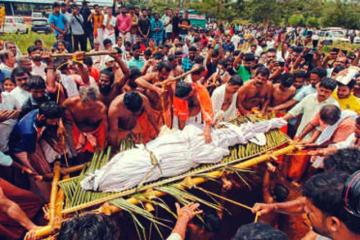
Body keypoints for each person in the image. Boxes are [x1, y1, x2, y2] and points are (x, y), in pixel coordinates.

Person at [252, 171, 360, 240]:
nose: (304, 210)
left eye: (310, 210)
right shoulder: (339, 229)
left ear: (333, 223)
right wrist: (274, 207)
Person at [283, 78, 339, 182]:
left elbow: (323, 127)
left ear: (332, 92)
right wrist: (282, 120)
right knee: (290, 157)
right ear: (318, 88)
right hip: (300, 133)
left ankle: (294, 180)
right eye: (321, 90)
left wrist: (311, 141)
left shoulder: (334, 106)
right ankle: (286, 178)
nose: (322, 93)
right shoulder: (309, 97)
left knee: (302, 162)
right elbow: (296, 110)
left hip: (314, 139)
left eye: (326, 92)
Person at [9, 101, 63, 201]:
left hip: (33, 142)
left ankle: (41, 194)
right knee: (38, 176)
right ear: (42, 117)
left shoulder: (39, 113)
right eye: (53, 121)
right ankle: (49, 200)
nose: (55, 123)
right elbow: (31, 157)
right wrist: (42, 174)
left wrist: (53, 144)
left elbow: (44, 130)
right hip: (22, 149)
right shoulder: (28, 131)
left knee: (45, 169)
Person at [61, 86, 108, 154]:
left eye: (91, 104)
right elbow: (60, 110)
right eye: (86, 104)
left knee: (98, 153)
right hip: (77, 131)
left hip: (95, 133)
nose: (88, 107)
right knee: (78, 155)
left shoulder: (101, 109)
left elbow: (105, 127)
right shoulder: (71, 102)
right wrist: (60, 124)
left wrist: (102, 141)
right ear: (81, 100)